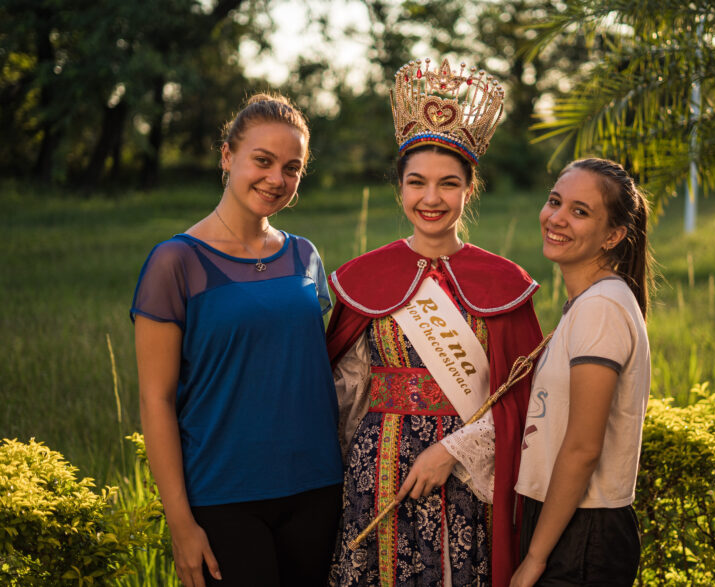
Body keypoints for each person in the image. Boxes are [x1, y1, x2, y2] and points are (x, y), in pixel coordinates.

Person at [327, 58, 544, 586]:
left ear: (470, 188)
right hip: (376, 470)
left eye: (448, 184)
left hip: (468, 477)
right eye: (417, 182)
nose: (431, 199)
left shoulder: (502, 283)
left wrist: (454, 450)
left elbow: (525, 398)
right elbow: (344, 388)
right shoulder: (365, 278)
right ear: (399, 187)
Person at [131, 93, 343, 587]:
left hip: (318, 489)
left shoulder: (305, 256)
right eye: (262, 161)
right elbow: (155, 399)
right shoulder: (175, 263)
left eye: (292, 168)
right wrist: (182, 526)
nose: (276, 180)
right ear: (227, 156)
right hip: (224, 497)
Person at [511, 158, 653, 587]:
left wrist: (535, 558)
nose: (556, 218)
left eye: (580, 211)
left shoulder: (601, 309)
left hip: (583, 534)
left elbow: (583, 448)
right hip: (567, 520)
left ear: (613, 236)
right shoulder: (593, 302)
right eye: (555, 201)